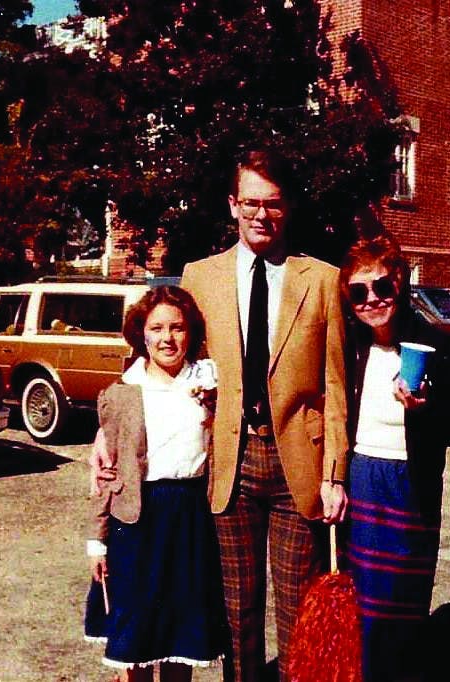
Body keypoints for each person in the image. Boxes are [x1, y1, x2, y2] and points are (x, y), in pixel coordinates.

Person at [91, 149, 349, 682]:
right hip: (226, 462)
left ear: (287, 208)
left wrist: (334, 473)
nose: (261, 215)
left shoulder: (321, 279)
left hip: (297, 463)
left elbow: (335, 386)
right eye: (251, 202)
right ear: (233, 205)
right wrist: (107, 429)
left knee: (298, 606)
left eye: (273, 204)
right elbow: (161, 352)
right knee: (236, 610)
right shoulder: (199, 276)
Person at [339, 232, 450, 682]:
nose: (372, 300)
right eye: (359, 292)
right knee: (359, 601)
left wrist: (428, 409)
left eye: (381, 286)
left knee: (402, 601)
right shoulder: (350, 346)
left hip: (410, 486)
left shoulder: (435, 347)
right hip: (361, 478)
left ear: (399, 283)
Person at [84, 286, 229, 682]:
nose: (168, 338)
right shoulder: (123, 393)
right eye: (157, 328)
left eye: (178, 328)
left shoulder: (208, 384)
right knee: (137, 636)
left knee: (181, 635)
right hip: (138, 523)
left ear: (191, 333)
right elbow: (107, 470)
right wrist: (97, 540)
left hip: (189, 518)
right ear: (142, 334)